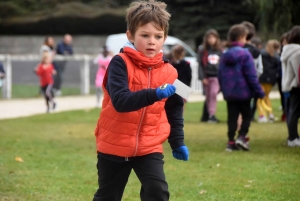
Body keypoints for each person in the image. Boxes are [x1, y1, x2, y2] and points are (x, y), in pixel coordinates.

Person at [92, 1, 189, 200]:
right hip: (114, 144)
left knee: (157, 191)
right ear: (130, 36)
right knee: (108, 196)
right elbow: (120, 101)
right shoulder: (119, 63)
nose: (151, 41)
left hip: (149, 146)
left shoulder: (171, 72)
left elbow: (175, 108)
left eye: (158, 36)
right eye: (145, 35)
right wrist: (154, 94)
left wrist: (177, 141)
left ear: (165, 38)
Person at [218, 24, 265, 152]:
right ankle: (242, 137)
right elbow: (251, 75)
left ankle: (230, 141)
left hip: (230, 92)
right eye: (245, 37)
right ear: (241, 37)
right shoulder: (245, 54)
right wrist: (259, 91)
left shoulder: (225, 54)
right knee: (247, 115)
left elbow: (220, 74)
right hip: (244, 92)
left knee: (232, 117)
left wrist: (223, 89)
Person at [281, 25, 300, 147]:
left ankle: (293, 136)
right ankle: (293, 138)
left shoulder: (287, 50)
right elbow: (298, 71)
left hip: (290, 85)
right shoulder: (297, 52)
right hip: (297, 85)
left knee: (293, 111)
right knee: (295, 112)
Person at [198, 29, 222, 123]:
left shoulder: (220, 50)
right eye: (209, 38)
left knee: (213, 94)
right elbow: (200, 64)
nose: (211, 40)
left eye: (213, 37)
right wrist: (202, 77)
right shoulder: (203, 50)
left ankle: (212, 114)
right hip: (207, 76)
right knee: (208, 96)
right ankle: (209, 115)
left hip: (216, 77)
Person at [241, 21, 263, 121]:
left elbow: (259, 68)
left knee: (248, 102)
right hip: (244, 81)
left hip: (248, 80)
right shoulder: (237, 49)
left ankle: (247, 119)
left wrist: (253, 78)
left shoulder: (254, 51)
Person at [257, 39, 281, 123]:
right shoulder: (276, 57)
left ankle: (262, 115)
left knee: (260, 98)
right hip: (271, 79)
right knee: (267, 96)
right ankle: (270, 114)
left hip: (262, 78)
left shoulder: (262, 54)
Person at [170, 44, 192, 109]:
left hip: (173, 85)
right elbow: (189, 76)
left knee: (173, 105)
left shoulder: (171, 64)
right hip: (184, 85)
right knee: (181, 104)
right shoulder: (186, 64)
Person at [278, 32, 289, 122]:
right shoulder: (280, 52)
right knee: (284, 96)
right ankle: (285, 112)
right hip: (282, 77)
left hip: (289, 77)